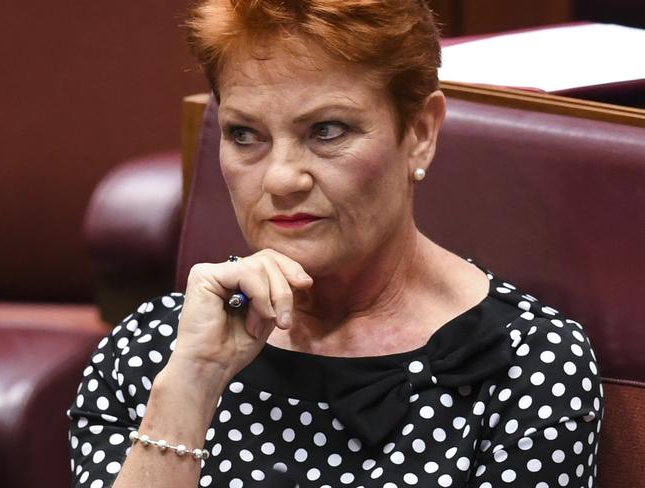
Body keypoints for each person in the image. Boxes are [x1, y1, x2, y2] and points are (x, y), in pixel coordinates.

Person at [68, 1, 603, 487]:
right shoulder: (155, 348)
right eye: (244, 135)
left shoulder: (531, 365)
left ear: (419, 132)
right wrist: (191, 386)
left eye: (327, 130)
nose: (280, 179)